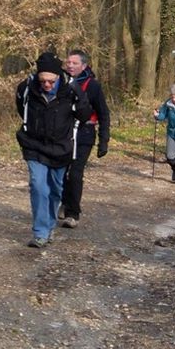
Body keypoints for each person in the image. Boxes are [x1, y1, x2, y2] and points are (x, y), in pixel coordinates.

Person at [16, 52, 92, 247]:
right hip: (34, 145)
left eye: (51, 81)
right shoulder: (27, 88)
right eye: (43, 81)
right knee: (38, 185)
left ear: (58, 76)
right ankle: (40, 231)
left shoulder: (71, 90)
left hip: (61, 147)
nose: (47, 85)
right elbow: (21, 108)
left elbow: (84, 115)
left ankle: (49, 226)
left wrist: (79, 96)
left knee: (55, 189)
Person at [59, 49, 110, 228]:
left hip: (84, 134)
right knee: (61, 171)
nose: (70, 66)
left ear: (84, 65)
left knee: (75, 173)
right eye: (68, 63)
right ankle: (64, 201)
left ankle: (73, 214)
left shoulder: (93, 85)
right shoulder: (60, 82)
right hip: (63, 134)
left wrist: (104, 140)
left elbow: (103, 113)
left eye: (74, 63)